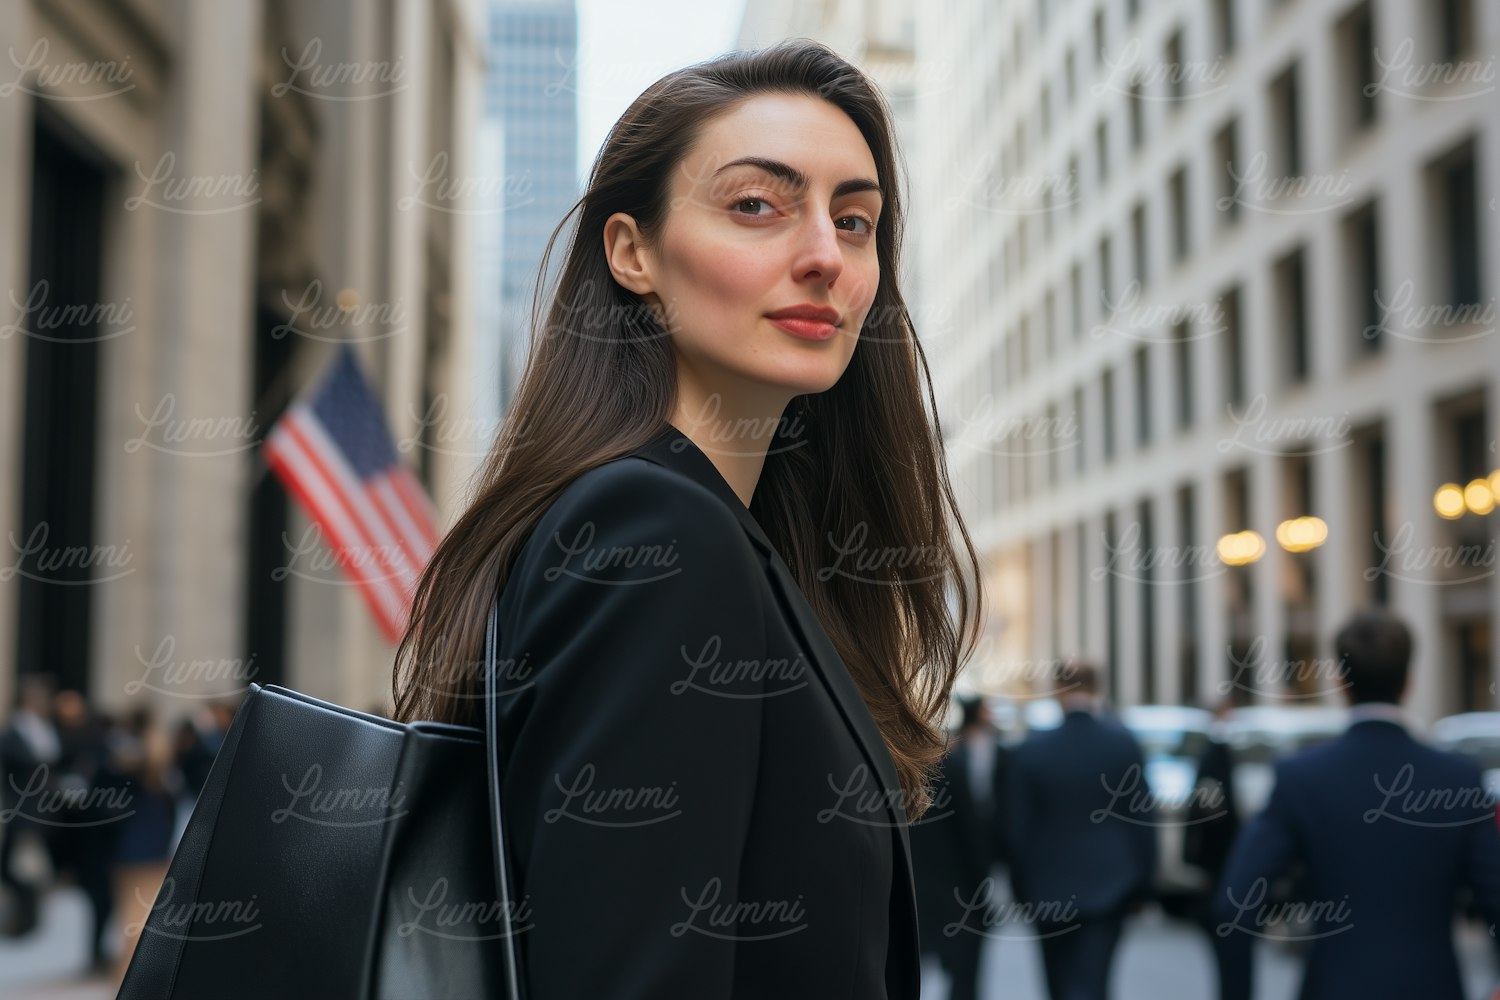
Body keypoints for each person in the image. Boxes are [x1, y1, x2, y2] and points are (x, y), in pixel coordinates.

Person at [388, 39, 984, 998]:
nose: (826, 256)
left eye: (856, 219)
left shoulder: (723, 539)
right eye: (758, 205)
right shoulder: (655, 532)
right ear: (632, 252)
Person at [1214, 609, 1500, 1000]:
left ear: (1340, 682)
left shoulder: (1301, 778)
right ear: (1408, 682)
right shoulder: (1458, 779)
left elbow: (1234, 906)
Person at [1004, 657, 1157, 1000]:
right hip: (1111, 886)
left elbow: (1016, 830)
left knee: (1058, 985)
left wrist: (1021, 889)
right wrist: (1143, 886)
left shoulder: (1030, 750)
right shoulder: (1123, 744)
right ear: (1097, 688)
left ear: (1058, 690)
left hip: (1048, 889)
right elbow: (1143, 821)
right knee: (1094, 984)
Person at [910, 694, 1009, 1000]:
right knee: (963, 981)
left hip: (913, 888)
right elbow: (970, 832)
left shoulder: (895, 759)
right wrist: (983, 885)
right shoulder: (952, 763)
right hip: (956, 892)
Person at [0, 673, 61, 937]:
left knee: (31, 868)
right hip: (23, 811)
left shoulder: (45, 729)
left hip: (44, 811)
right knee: (19, 868)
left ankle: (29, 921)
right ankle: (23, 921)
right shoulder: (15, 731)